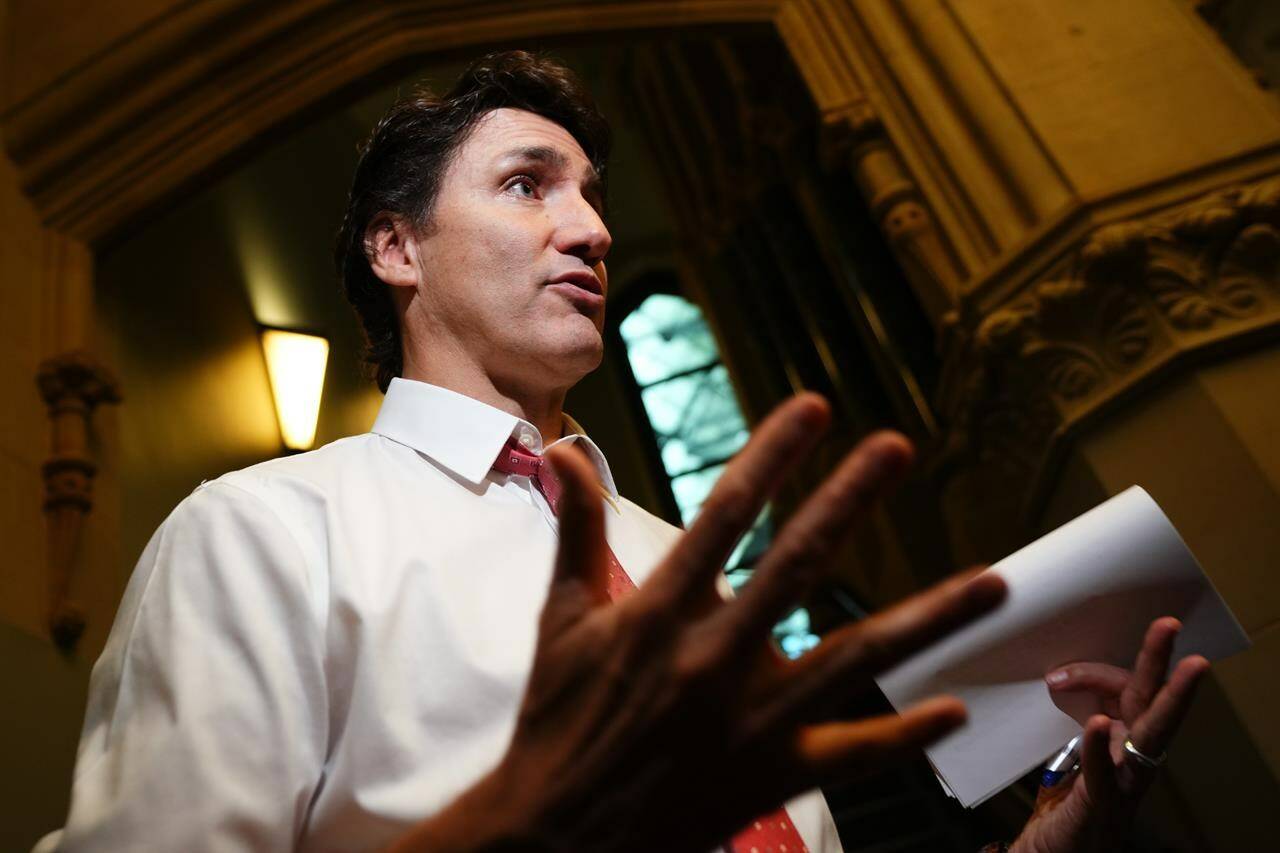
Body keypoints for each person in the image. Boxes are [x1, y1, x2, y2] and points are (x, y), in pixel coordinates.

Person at [45, 51, 1208, 852]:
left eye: (593, 196)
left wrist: (1061, 826)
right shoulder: (264, 532)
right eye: (525, 185)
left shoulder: (678, 567)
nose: (593, 227)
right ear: (396, 246)